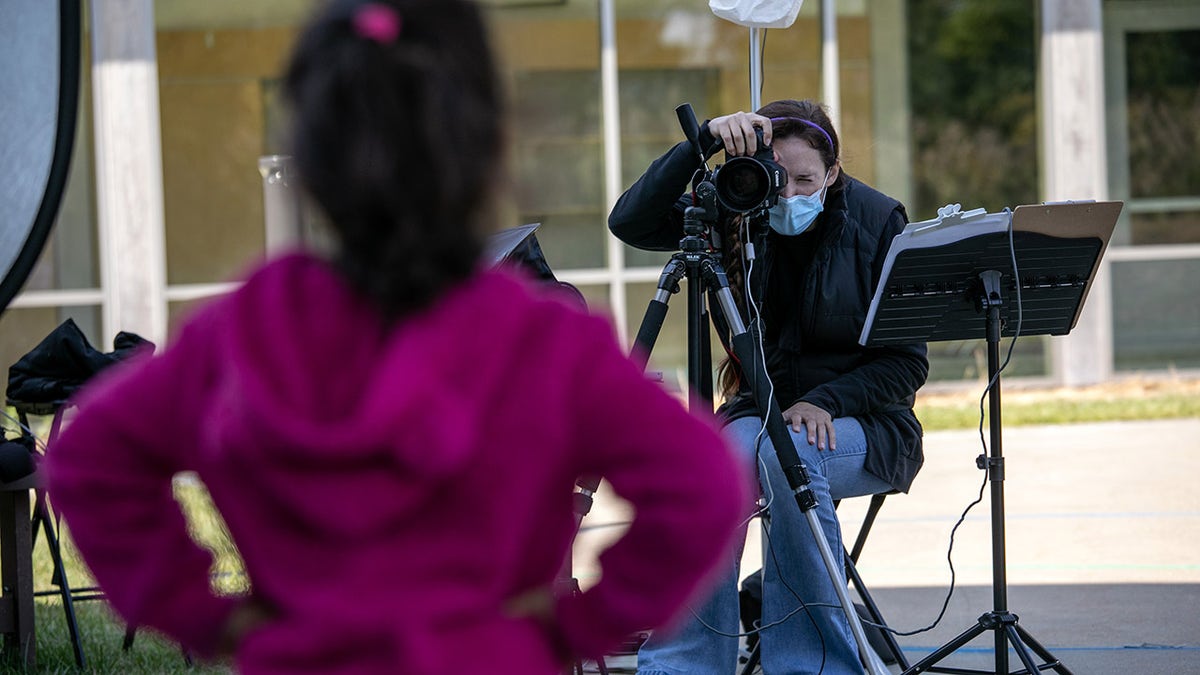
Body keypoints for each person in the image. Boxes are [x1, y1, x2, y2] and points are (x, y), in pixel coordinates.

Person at [44, 2, 749, 673]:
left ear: (308, 159)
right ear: (487, 146)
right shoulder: (541, 340)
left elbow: (89, 459)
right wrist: (575, 625)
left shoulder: (245, 332)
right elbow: (704, 484)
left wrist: (210, 616)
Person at [609, 99, 929, 675]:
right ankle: (683, 664)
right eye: (777, 180)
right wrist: (700, 143)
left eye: (805, 180)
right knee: (711, 465)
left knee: (791, 457)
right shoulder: (737, 204)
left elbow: (906, 364)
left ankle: (812, 666)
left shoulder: (879, 221)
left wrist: (825, 401)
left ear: (832, 172)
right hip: (760, 413)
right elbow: (629, 221)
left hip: (868, 424)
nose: (788, 197)